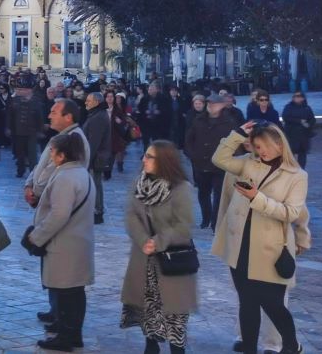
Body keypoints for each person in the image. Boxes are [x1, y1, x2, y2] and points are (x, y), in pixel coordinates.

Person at [211, 121, 307, 354]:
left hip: (270, 248)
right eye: (256, 145)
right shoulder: (248, 163)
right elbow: (219, 159)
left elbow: (291, 213)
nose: (260, 151)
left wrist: (257, 198)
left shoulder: (297, 175)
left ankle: (291, 345)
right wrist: (238, 134)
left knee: (272, 303)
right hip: (241, 243)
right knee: (247, 300)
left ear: (278, 144)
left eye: (263, 145)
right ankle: (249, 348)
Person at [121, 140, 196, 354]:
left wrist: (158, 241)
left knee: (174, 322)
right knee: (149, 319)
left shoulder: (181, 188)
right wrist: (144, 239)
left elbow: (184, 226)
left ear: (164, 160)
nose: (143, 159)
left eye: (149, 156)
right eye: (145, 155)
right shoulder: (140, 183)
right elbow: (131, 216)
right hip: (144, 262)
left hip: (172, 264)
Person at [23, 132, 95, 352]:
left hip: (64, 245)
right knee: (75, 292)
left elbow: (59, 215)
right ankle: (74, 335)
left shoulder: (65, 177)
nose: (50, 155)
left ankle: (65, 336)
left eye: (53, 151)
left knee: (65, 293)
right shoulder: (82, 173)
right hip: (78, 243)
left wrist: (35, 237)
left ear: (62, 155)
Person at [183, 93, 236, 230]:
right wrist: (192, 154)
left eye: (214, 104)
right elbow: (189, 138)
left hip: (220, 165)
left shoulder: (229, 122)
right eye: (209, 104)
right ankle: (206, 218)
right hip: (201, 163)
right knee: (203, 193)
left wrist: (230, 160)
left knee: (218, 195)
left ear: (222, 106)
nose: (211, 106)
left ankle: (215, 221)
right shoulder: (199, 120)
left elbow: (235, 143)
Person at [82, 92, 111, 224]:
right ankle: (95, 210)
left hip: (96, 158)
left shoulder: (98, 117)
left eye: (88, 100)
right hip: (96, 156)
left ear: (96, 102)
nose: (86, 103)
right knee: (95, 184)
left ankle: (97, 211)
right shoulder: (97, 114)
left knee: (95, 185)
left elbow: (93, 142)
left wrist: (86, 160)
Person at [8, 77, 45, 178]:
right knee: (20, 153)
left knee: (32, 154)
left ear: (28, 90)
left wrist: (40, 130)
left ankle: (33, 173)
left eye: (21, 89)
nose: (18, 91)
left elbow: (40, 117)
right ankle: (20, 171)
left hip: (31, 132)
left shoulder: (36, 100)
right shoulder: (15, 100)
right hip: (18, 131)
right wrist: (9, 128)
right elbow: (10, 115)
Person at [280, 92, 315, 167]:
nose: (297, 98)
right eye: (295, 96)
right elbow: (285, 117)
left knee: (302, 155)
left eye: (299, 96)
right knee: (291, 154)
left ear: (303, 98)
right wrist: (299, 121)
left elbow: (312, 119)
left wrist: (309, 124)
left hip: (303, 135)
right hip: (292, 134)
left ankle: (301, 171)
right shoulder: (288, 107)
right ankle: (291, 170)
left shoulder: (307, 108)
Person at [137, 83, 172, 147]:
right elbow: (140, 108)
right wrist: (145, 111)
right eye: (149, 89)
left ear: (156, 90)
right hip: (147, 123)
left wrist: (160, 111)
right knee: (146, 141)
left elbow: (168, 109)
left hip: (159, 124)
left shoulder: (163, 98)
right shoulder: (145, 98)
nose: (149, 91)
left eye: (151, 89)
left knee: (157, 141)